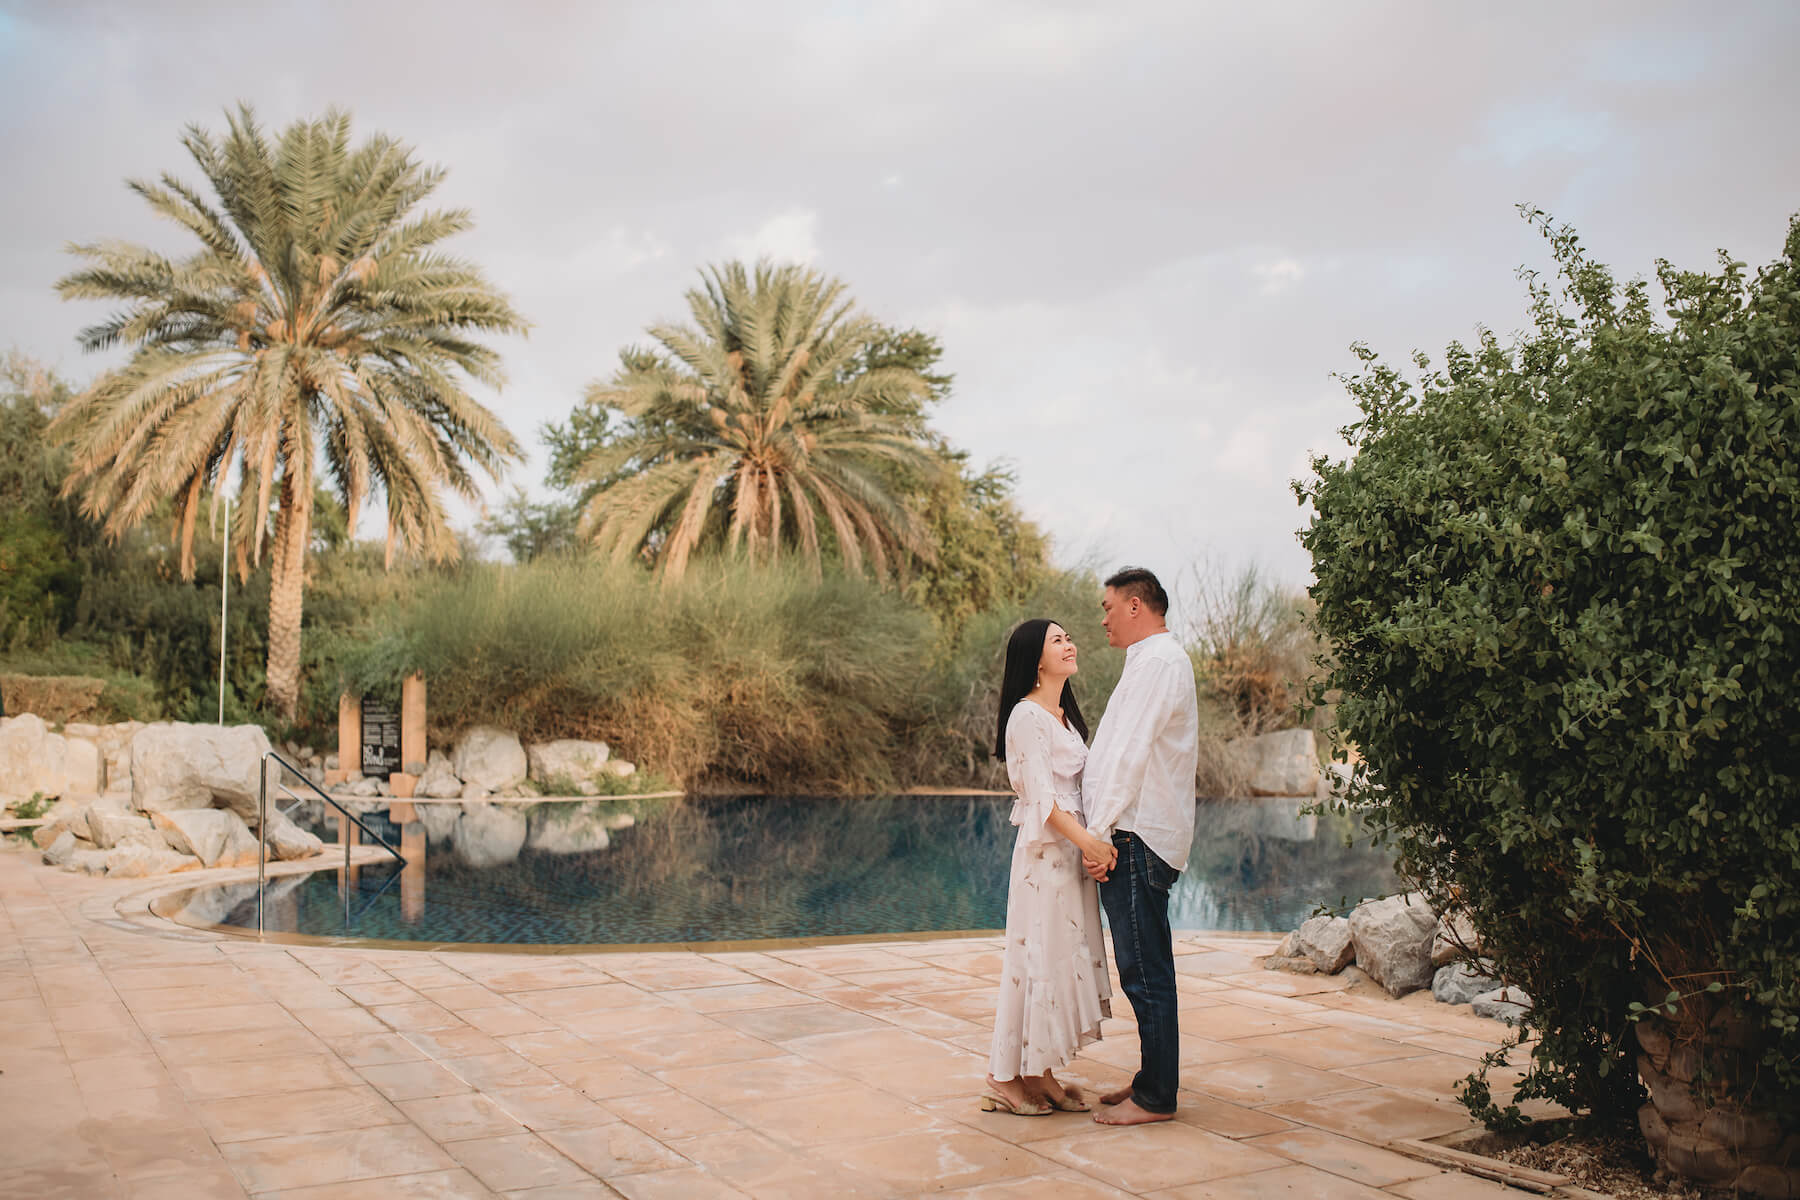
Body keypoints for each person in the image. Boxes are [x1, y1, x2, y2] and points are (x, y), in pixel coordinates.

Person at [983, 618, 1116, 1116]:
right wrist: (1092, 844)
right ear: (1035, 659)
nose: (1070, 644)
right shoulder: (1026, 717)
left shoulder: (1062, 716)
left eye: (1067, 637)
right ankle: (1003, 1077)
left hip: (1071, 858)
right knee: (1034, 961)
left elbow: (1081, 790)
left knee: (1061, 961)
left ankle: (1041, 1071)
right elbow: (1042, 799)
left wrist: (1092, 845)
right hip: (1046, 860)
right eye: (1057, 640)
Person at [1081, 566, 1199, 1126]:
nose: (1101, 618)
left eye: (1108, 607)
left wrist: (1099, 833)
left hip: (1136, 835)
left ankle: (1156, 1097)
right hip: (1135, 832)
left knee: (1145, 971)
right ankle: (1149, 1081)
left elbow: (1129, 754)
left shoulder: (1157, 662)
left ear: (1135, 606)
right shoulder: (1149, 662)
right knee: (1144, 966)